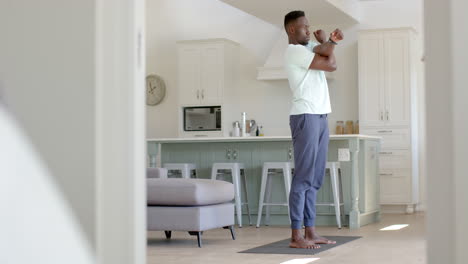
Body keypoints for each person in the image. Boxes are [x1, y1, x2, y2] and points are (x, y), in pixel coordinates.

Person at [284, 10, 343, 249]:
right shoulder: (294, 51)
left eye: (308, 26)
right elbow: (329, 61)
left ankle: (310, 231)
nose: (308, 30)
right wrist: (329, 42)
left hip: (320, 116)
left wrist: (324, 44)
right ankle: (296, 235)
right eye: (304, 27)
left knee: (315, 178)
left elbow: (333, 63)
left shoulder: (308, 48)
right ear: (291, 29)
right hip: (305, 116)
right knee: (304, 176)